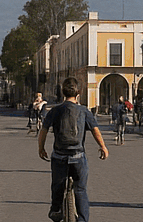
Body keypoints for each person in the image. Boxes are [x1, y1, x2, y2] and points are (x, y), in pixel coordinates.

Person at [39, 77, 109, 222]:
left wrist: (41, 148)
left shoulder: (55, 110)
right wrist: (102, 147)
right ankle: (83, 220)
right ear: (78, 93)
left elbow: (43, 131)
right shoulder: (84, 111)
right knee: (81, 190)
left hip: (59, 156)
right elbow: (96, 130)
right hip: (78, 156)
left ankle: (56, 210)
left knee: (57, 186)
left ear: (63, 93)